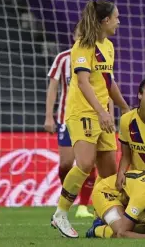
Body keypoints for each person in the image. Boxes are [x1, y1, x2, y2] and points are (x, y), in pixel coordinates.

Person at [51, 0, 130, 238]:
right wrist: (102, 111)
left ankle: (101, 219)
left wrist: (125, 108)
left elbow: (109, 82)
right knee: (85, 163)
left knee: (109, 174)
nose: (119, 21)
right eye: (116, 17)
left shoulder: (109, 47)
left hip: (103, 114)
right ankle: (61, 214)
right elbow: (84, 83)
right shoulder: (83, 46)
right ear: (105, 21)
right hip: (83, 112)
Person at [44, 25, 102, 219]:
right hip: (65, 118)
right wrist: (49, 116)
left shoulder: (96, 57)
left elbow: (106, 85)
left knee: (87, 163)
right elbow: (53, 87)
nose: (80, 37)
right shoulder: (63, 58)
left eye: (84, 34)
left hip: (89, 117)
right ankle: (68, 196)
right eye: (78, 34)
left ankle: (84, 205)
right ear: (73, 36)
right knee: (66, 164)